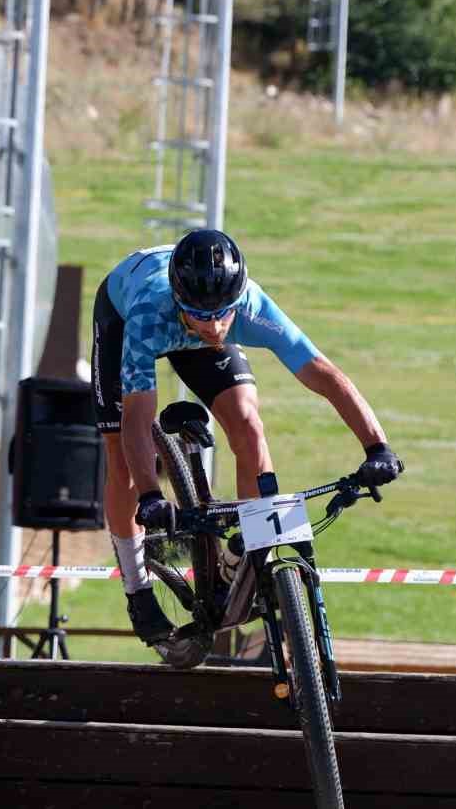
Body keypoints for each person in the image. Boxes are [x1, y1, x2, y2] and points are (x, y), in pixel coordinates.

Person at [90, 228, 405, 646]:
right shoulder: (150, 314)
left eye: (225, 313)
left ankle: (246, 552)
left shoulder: (250, 305)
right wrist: (151, 494)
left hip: (183, 317)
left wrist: (376, 446)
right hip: (122, 310)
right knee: (122, 460)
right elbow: (136, 417)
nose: (216, 327)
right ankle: (137, 588)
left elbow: (324, 375)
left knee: (248, 422)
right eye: (203, 316)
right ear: (182, 304)